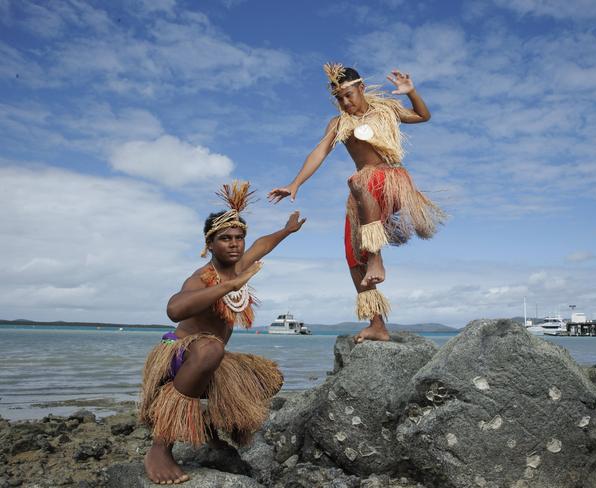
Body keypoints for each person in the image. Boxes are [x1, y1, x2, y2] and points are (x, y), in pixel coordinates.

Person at [139, 181, 306, 484]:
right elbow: (174, 310)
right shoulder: (202, 278)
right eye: (225, 238)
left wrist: (286, 230)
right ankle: (160, 447)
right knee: (211, 349)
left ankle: (210, 423)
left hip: (212, 360)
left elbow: (263, 245)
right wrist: (227, 286)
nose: (234, 244)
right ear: (210, 244)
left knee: (270, 377)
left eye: (239, 237)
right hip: (181, 356)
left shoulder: (241, 263)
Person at [268, 64, 445, 343]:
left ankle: (376, 259)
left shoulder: (386, 109)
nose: (345, 102)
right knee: (353, 256)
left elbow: (424, 116)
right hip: (362, 196)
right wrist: (295, 183)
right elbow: (319, 152)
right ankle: (377, 324)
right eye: (339, 98)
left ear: (361, 88)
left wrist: (411, 92)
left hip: (391, 181)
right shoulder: (338, 123)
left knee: (359, 181)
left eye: (349, 95)